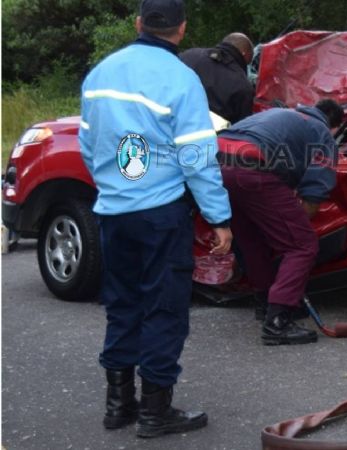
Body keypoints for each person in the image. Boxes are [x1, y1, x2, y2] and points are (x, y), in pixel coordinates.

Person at [79, 0, 233, 437]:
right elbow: (197, 156)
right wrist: (218, 216)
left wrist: (115, 185)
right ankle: (154, 411)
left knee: (122, 304)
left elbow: (90, 146)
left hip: (114, 212)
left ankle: (118, 405)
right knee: (164, 309)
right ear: (181, 29)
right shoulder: (181, 79)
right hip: (161, 214)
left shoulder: (101, 74)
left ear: (138, 23)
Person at [216, 99, 343, 345]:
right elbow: (315, 191)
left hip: (218, 161)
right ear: (335, 126)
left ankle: (266, 303)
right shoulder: (322, 133)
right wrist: (295, 224)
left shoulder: (279, 114)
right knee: (302, 246)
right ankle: (278, 321)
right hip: (254, 168)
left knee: (252, 241)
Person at [180, 32, 255, 124]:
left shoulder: (189, 55)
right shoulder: (243, 86)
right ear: (244, 54)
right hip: (208, 130)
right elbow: (242, 127)